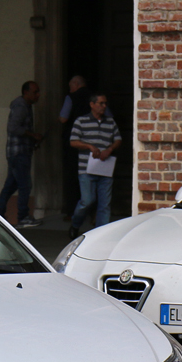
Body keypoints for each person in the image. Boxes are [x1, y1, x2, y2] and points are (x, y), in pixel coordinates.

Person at [68, 93, 121, 239]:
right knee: (87, 201)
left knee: (104, 204)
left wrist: (109, 150)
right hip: (86, 168)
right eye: (101, 103)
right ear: (92, 104)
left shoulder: (110, 122)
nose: (104, 106)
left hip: (105, 168)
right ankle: (75, 224)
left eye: (105, 104)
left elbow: (118, 139)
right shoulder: (81, 121)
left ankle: (100, 235)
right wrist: (89, 146)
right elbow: (73, 141)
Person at [0, 80, 42, 228]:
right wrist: (31, 135)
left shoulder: (24, 106)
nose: (37, 95)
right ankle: (23, 216)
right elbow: (13, 128)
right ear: (26, 92)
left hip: (18, 151)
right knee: (25, 184)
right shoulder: (21, 106)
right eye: (35, 92)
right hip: (18, 153)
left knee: (11, 184)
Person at [57, 75, 91, 217]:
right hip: (93, 141)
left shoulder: (71, 98)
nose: (70, 90)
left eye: (71, 86)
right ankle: (91, 212)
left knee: (72, 176)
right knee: (92, 176)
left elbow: (63, 118)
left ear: (76, 84)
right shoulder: (94, 97)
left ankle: (72, 211)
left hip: (74, 142)